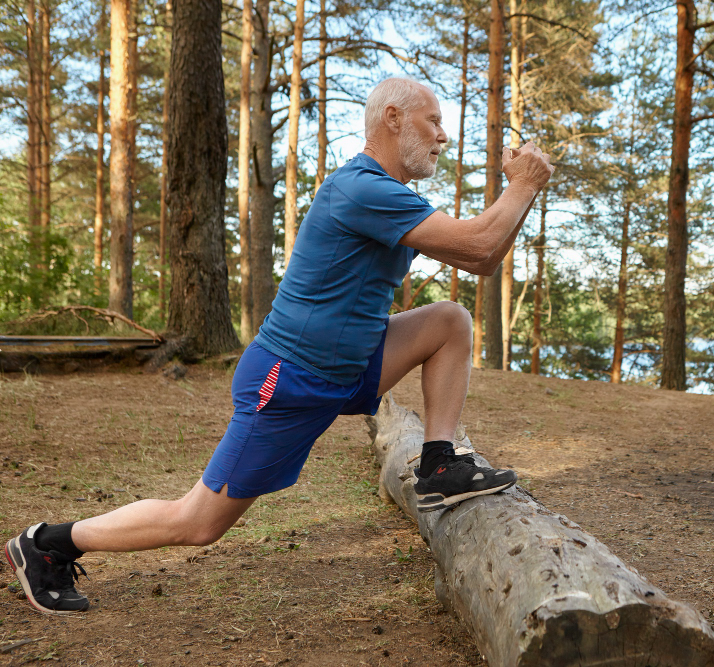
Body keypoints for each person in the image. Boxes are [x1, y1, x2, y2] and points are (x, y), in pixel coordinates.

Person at [5, 77, 555, 616]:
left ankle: (439, 465)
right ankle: (49, 542)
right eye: (432, 120)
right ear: (392, 119)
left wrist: (524, 190)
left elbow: (482, 260)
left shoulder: (390, 195)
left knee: (450, 322)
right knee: (199, 521)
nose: (442, 135)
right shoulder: (361, 188)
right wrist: (523, 184)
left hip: (351, 364)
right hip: (291, 377)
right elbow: (482, 242)